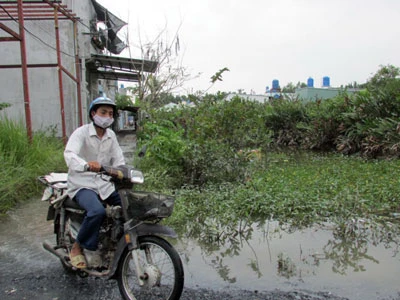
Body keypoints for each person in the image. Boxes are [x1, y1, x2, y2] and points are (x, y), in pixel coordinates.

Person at [64, 96, 125, 269]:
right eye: (103, 112)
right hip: (82, 183)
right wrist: (86, 165)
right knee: (97, 211)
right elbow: (69, 154)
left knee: (128, 206)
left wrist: (124, 172)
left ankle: (117, 243)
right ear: (93, 114)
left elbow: (119, 159)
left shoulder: (111, 135)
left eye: (110, 113)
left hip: (103, 183)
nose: (107, 117)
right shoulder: (81, 132)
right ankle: (77, 248)